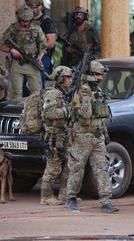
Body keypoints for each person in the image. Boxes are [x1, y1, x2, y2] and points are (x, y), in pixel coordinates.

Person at [65, 60, 119, 213]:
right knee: (77, 168)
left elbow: (100, 117)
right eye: (97, 75)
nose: (101, 78)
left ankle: (106, 201)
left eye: (101, 75)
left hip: (97, 136)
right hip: (82, 136)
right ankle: (71, 198)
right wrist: (86, 95)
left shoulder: (98, 92)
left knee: (102, 168)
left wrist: (104, 133)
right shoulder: (81, 92)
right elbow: (85, 114)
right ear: (90, 75)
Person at [40, 66, 73, 205]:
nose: (70, 80)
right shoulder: (52, 94)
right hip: (53, 136)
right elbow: (49, 113)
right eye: (67, 77)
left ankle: (64, 194)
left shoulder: (64, 93)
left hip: (63, 134)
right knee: (53, 166)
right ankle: (46, 196)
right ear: (59, 78)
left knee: (68, 165)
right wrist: (68, 111)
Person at [0, 4, 47, 99]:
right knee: (16, 92)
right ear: (19, 18)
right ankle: (15, 113)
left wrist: (39, 57)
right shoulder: (13, 28)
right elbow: (1, 45)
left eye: (27, 21)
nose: (25, 23)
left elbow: (44, 45)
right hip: (17, 64)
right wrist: (11, 50)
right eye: (23, 21)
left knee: (36, 92)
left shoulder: (36, 28)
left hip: (32, 62)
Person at [25, 0, 57, 89]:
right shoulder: (25, 20)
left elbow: (50, 43)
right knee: (24, 88)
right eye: (29, 7)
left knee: (37, 86)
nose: (31, 9)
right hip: (26, 57)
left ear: (40, 7)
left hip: (42, 57)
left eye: (34, 7)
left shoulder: (47, 22)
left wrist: (39, 53)